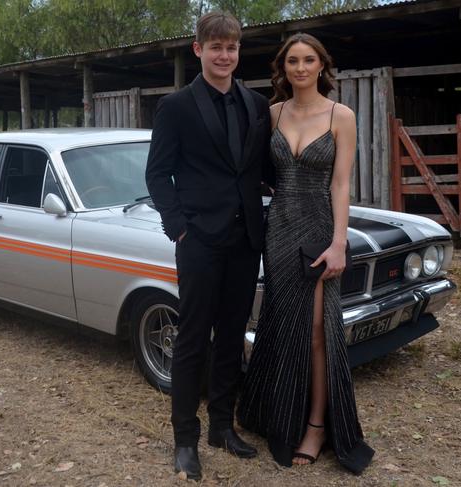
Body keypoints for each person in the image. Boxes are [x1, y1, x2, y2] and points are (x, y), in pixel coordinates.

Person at [236, 33, 375, 474]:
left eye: (308, 60)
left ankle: (316, 425)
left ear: (321, 66)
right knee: (281, 323)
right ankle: (281, 414)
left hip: (319, 230)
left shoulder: (341, 115)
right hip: (278, 230)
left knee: (317, 329)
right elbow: (254, 171)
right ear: (284, 67)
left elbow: (340, 184)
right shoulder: (272, 113)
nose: (300, 68)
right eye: (292, 60)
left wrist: (339, 242)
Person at [145, 11, 276, 481]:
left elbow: (261, 170)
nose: (225, 55)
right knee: (193, 339)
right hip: (198, 241)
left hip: (245, 240)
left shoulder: (256, 105)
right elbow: (157, 174)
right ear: (198, 50)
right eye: (216, 47)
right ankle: (185, 440)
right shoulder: (176, 107)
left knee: (232, 336)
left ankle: (222, 425)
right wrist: (179, 228)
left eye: (233, 47)